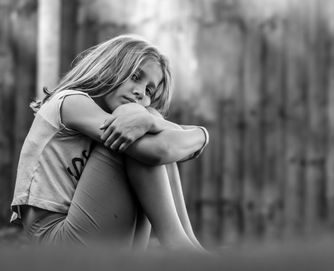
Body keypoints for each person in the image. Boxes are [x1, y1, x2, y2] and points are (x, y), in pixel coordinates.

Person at [10, 34, 208, 251]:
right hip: (55, 241)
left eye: (149, 90)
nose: (140, 92)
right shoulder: (70, 102)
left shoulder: (110, 117)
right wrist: (186, 132)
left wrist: (192, 132)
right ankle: (179, 247)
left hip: (97, 235)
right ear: (109, 67)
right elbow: (157, 151)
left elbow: (166, 145)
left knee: (137, 126)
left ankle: (189, 245)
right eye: (135, 76)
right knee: (129, 134)